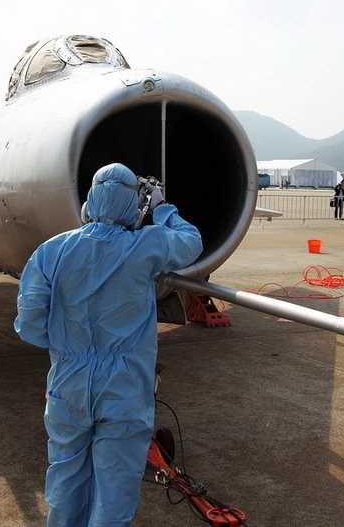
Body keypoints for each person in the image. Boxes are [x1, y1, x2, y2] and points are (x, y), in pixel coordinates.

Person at [13, 163, 203, 527]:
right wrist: (162, 208)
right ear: (132, 206)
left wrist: (65, 348)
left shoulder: (51, 251)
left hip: (68, 383)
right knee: (115, 488)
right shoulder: (146, 246)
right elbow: (190, 241)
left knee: (66, 476)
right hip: (124, 389)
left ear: (90, 201)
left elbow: (29, 323)